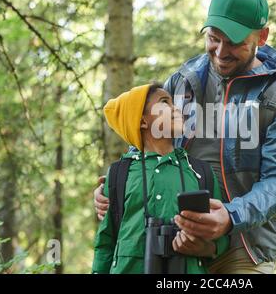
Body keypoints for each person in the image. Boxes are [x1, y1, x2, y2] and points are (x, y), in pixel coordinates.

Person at [94, 0, 276, 274]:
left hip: (244, 247)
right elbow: (144, 145)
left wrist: (229, 217)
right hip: (173, 241)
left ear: (262, 37)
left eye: (233, 42)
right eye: (213, 39)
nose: (220, 52)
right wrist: (115, 189)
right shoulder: (182, 82)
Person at [92, 84, 228, 274]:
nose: (177, 108)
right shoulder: (118, 174)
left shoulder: (201, 171)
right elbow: (105, 243)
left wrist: (206, 248)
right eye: (165, 102)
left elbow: (220, 236)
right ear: (143, 121)